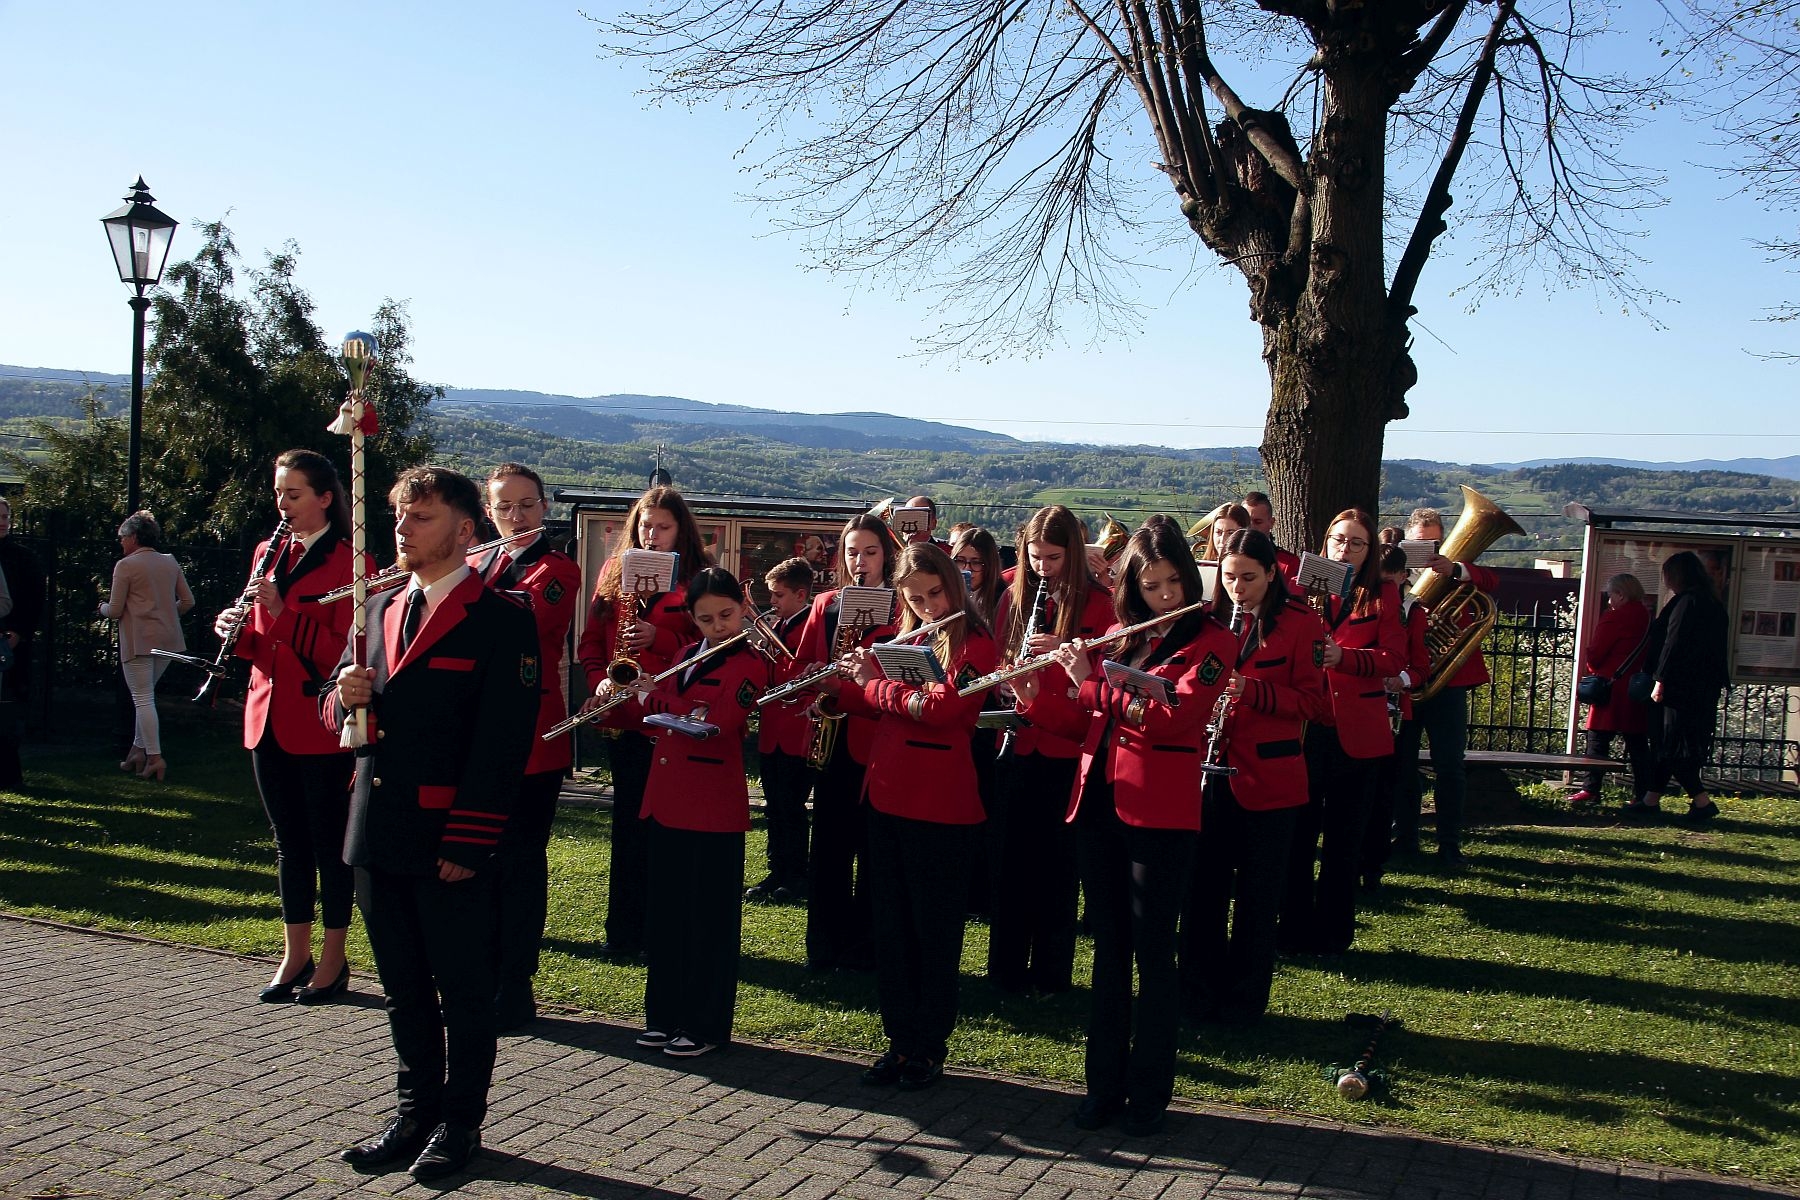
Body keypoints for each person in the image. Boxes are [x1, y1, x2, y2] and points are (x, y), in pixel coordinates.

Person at [328, 466, 538, 1182]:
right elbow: (339, 713)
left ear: (464, 529)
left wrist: (470, 840)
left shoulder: (501, 618)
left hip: (449, 835)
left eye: (421, 517)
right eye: (399, 516)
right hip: (376, 828)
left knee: (464, 990)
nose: (403, 528)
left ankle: (460, 1123)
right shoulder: (379, 608)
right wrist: (343, 696)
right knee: (404, 987)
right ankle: (414, 1113)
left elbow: (504, 743)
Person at [1018, 517, 1235, 1135]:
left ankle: (1149, 1094)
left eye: (1173, 583)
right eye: (1151, 586)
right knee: (1109, 952)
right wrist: (1038, 697)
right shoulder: (1119, 638)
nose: (1164, 597)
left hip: (1160, 815)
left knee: (1153, 953)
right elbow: (1090, 725)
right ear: (1132, 589)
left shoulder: (1213, 642)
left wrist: (1089, 683)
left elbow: (1173, 716)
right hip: (1099, 806)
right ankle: (1103, 1087)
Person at [841, 541, 997, 1091]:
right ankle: (899, 1041)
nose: (929, 606)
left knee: (934, 932)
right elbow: (881, 703)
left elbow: (943, 710)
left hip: (940, 805)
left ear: (954, 588)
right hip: (886, 794)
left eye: (936, 594)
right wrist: (844, 683)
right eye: (916, 598)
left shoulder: (977, 643)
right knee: (891, 928)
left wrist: (875, 685)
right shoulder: (897, 640)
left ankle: (929, 1046)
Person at [228, 450, 362, 1006]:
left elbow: (340, 652)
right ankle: (295, 953)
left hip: (317, 721)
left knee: (329, 843)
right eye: (278, 493)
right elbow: (263, 645)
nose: (282, 504)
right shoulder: (268, 551)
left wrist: (282, 613)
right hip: (267, 716)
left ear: (325, 498)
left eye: (294, 494)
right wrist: (235, 633)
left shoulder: (350, 562)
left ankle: (333, 958)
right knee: (289, 844)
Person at [1181, 528, 1330, 1025]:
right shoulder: (1207, 620)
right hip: (1210, 771)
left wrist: (1250, 690)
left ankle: (1244, 1003)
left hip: (1270, 776)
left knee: (1258, 897)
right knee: (1202, 889)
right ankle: (1196, 993)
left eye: (1248, 577)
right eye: (1229, 577)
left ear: (1271, 573)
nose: (1238, 588)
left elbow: (1313, 702)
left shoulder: (1301, 623)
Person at [635, 567, 774, 1058]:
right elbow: (672, 716)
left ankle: (705, 1024)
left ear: (744, 609)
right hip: (668, 798)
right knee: (667, 916)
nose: (718, 626)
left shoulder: (750, 664)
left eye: (727, 615)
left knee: (708, 921)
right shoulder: (686, 654)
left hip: (711, 806)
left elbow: (716, 720)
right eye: (706, 619)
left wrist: (653, 695)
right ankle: (664, 1016)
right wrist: (631, 697)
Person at [574, 485, 710, 958]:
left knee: (666, 830)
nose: (652, 535)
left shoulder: (697, 578)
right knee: (628, 826)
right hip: (624, 716)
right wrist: (598, 680)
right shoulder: (614, 571)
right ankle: (624, 930)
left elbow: (709, 647)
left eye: (663, 527)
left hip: (669, 717)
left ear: (681, 530)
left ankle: (662, 930)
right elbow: (592, 639)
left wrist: (661, 636)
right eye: (646, 526)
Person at [989, 504, 1113, 994]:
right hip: (1018, 743)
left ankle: (1051, 972)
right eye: (1035, 557)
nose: (1043, 568)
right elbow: (1000, 652)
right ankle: (1005, 968)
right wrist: (1008, 678)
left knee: (1058, 867)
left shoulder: (1101, 604)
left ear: (1074, 555)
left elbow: (1103, 679)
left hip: (1065, 749)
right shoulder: (1014, 597)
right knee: (1011, 862)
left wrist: (1063, 651)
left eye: (1053, 558)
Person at [475, 463, 582, 1029]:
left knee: (518, 864)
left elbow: (521, 622)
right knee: (478, 862)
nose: (516, 517)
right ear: (488, 512)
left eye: (526, 505)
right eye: (504, 507)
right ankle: (481, 976)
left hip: (533, 736)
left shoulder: (556, 567)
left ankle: (515, 987)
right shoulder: (480, 562)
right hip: (476, 733)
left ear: (544, 508)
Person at [1278, 508, 1403, 956]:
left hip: (1357, 734)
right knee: (1297, 838)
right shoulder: (1300, 588)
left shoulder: (1383, 593)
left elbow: (1394, 659)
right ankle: (1292, 930)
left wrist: (1345, 659)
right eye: (1337, 540)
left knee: (1344, 844)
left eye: (1355, 543)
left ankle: (1333, 935)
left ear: (1370, 551)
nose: (1344, 550)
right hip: (1306, 729)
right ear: (1325, 542)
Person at [793, 513, 900, 971]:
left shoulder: (902, 608)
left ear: (886, 556)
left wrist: (850, 685)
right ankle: (825, 945)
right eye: (852, 553)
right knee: (829, 847)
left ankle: (866, 947)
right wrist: (812, 677)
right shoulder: (826, 604)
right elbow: (802, 662)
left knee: (875, 851)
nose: (861, 562)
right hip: (833, 738)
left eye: (870, 552)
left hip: (877, 739)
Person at [1389, 505, 1500, 868]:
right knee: (1402, 764)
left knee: (1450, 766)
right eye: (1420, 543)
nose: (1428, 550)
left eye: (1434, 543)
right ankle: (1405, 837)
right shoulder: (1394, 574)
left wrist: (1455, 569)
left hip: (1448, 683)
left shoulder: (1456, 575)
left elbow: (1493, 582)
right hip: (1406, 682)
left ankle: (1449, 844)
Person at [1628, 552, 1729, 821]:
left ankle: (1702, 801)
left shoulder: (1685, 603)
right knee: (1670, 743)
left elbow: (1673, 643)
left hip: (1678, 686)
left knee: (1671, 744)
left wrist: (1660, 679)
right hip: (1701, 685)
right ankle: (1651, 799)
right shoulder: (1712, 603)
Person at [98, 511, 194, 783]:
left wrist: (101, 607)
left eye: (123, 537)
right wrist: (167, 613)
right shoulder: (169, 561)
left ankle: (154, 757)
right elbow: (188, 601)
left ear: (134, 537)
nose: (121, 542)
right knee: (146, 697)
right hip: (168, 639)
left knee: (142, 699)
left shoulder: (126, 565)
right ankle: (137, 752)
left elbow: (115, 610)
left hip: (139, 640)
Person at [746, 556, 817, 903]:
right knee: (774, 805)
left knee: (791, 806)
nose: (771, 602)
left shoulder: (810, 627)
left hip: (796, 727)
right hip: (773, 726)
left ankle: (796, 874)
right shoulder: (779, 625)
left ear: (800, 595)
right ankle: (777, 870)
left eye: (778, 595)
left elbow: (801, 672)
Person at [1360, 539, 1429, 892]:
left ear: (1403, 576)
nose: (1384, 586)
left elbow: (1421, 668)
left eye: (1389, 579)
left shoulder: (1413, 612)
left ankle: (1375, 865)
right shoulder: (1360, 603)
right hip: (1358, 707)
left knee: (1384, 791)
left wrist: (1400, 678)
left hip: (1392, 713)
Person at [951, 525, 1005, 916]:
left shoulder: (1002, 599)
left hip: (987, 710)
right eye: (960, 561)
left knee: (982, 799)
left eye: (976, 563)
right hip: (957, 706)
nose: (968, 569)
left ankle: (981, 890)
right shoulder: (950, 598)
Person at [1571, 573, 1652, 808]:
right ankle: (1643, 793)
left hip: (1611, 686)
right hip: (1636, 687)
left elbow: (1596, 655)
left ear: (1621, 595)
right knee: (1637, 744)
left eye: (1610, 595)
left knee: (1598, 739)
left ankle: (1591, 789)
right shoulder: (1646, 617)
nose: (1609, 600)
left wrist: (1592, 665)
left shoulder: (1614, 618)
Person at [0, 498, 47, 790]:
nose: (2, 522)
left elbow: (34, 599)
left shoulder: (23, 557)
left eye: (5, 516)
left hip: (12, 641)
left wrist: (19, 631)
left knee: (9, 709)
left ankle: (9, 775)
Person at [1241, 491, 1300, 579]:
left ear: (1271, 523)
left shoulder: (1288, 563)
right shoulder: (1229, 558)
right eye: (1246, 521)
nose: (1251, 527)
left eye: (1258, 522)